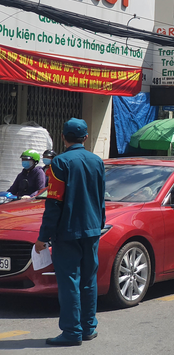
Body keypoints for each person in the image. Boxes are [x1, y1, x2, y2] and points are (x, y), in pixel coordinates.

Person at [35, 118, 106, 346]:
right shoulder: (97, 161)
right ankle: (88, 327)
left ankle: (71, 332)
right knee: (88, 280)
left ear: (63, 137)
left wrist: (43, 237)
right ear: (85, 138)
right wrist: (99, 224)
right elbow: (100, 197)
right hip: (93, 229)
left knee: (69, 282)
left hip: (67, 232)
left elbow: (53, 203)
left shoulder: (60, 163)